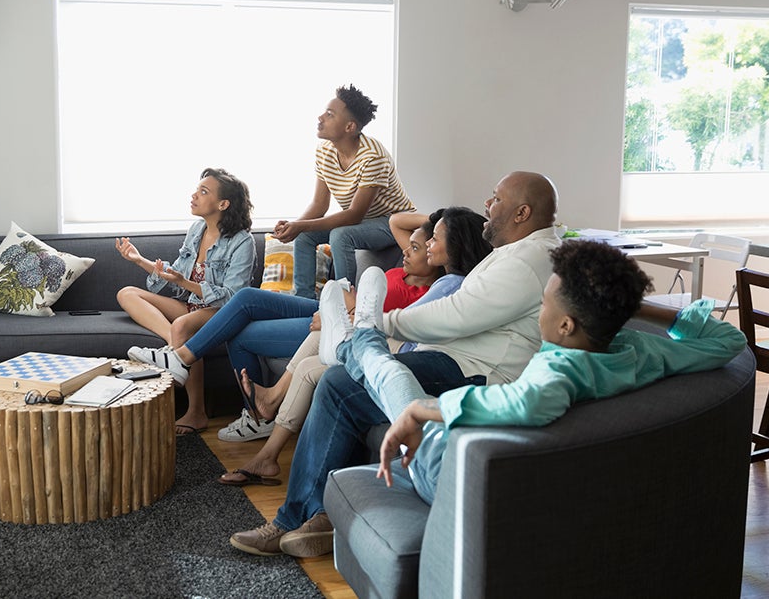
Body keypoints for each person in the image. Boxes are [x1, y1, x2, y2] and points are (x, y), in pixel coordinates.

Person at [228, 170, 561, 557]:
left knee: (340, 384)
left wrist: (378, 323)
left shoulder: (529, 261)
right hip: (459, 360)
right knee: (341, 382)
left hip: (480, 375)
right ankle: (316, 516)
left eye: (496, 198)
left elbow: (457, 315)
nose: (487, 204)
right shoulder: (520, 252)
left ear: (522, 212)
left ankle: (294, 518)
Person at [371, 241, 746, 514]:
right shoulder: (644, 351)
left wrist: (424, 410)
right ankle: (359, 339)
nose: (539, 313)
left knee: (390, 376)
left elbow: (528, 402)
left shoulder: (564, 366)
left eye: (545, 305)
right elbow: (731, 340)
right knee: (389, 374)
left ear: (566, 325)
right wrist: (638, 308)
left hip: (451, 470)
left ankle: (359, 337)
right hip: (479, 459)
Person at [217, 206, 491, 486]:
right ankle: (273, 418)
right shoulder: (434, 278)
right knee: (304, 334)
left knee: (311, 365)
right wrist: (440, 220)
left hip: (397, 348)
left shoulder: (446, 285)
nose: (415, 249)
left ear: (455, 245)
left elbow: (409, 325)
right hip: (375, 329)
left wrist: (356, 315)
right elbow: (397, 223)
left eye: (432, 241)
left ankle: (270, 437)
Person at [129, 216, 445, 443]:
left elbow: (391, 325)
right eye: (415, 244)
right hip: (329, 304)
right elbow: (398, 222)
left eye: (420, 248)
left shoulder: (433, 290)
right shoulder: (402, 271)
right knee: (247, 298)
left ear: (438, 257)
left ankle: (254, 413)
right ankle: (184, 357)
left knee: (239, 333)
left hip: (340, 323)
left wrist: (344, 315)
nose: (408, 250)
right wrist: (438, 221)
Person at [116, 168, 255, 434]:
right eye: (197, 189)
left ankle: (196, 412)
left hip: (223, 311)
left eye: (204, 192)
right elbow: (176, 272)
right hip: (193, 305)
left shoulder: (242, 241)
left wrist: (184, 283)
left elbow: (235, 297)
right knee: (127, 293)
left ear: (223, 204)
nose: (194, 195)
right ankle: (174, 350)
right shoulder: (197, 229)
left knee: (183, 326)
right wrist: (139, 260)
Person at [274, 85, 415, 299]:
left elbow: (354, 215)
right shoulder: (325, 150)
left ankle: (343, 299)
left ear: (349, 127)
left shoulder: (372, 157)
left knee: (341, 235)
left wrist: (299, 225)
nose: (320, 117)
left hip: (393, 221)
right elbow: (319, 205)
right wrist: (293, 227)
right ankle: (302, 301)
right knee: (303, 236)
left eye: (330, 115)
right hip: (364, 222)